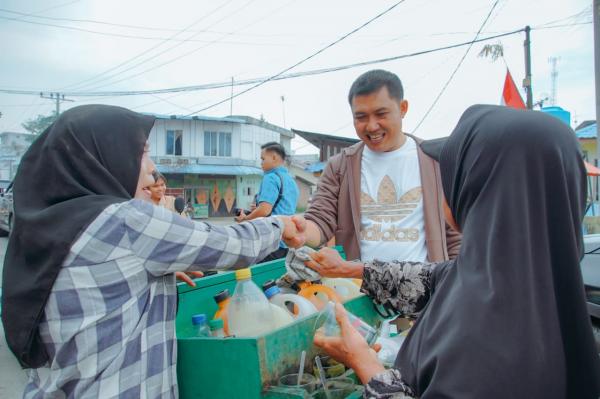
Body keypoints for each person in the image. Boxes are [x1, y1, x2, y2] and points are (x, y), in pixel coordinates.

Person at [0, 105, 306, 398]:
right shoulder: (124, 220)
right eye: (142, 153)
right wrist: (279, 226)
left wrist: (146, 270)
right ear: (102, 158)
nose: (152, 168)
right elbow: (231, 244)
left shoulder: (50, 228)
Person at [308, 105, 600, 398]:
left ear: (479, 187)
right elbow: (436, 277)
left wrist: (365, 364)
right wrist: (353, 269)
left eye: (452, 174)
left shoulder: (485, 340)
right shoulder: (533, 281)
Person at [303, 69, 460, 265]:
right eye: (361, 117)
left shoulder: (435, 161)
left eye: (381, 114)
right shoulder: (339, 166)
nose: (371, 126)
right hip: (359, 288)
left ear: (402, 108)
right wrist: (301, 230)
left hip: (426, 290)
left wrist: (454, 283)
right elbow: (320, 218)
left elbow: (455, 237)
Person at [236, 141, 299, 262]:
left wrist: (245, 219)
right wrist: (257, 210)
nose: (261, 163)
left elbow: (265, 210)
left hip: (271, 240)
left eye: (263, 159)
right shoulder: (290, 180)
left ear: (274, 157)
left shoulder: (270, 177)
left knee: (262, 277)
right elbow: (282, 208)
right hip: (287, 240)